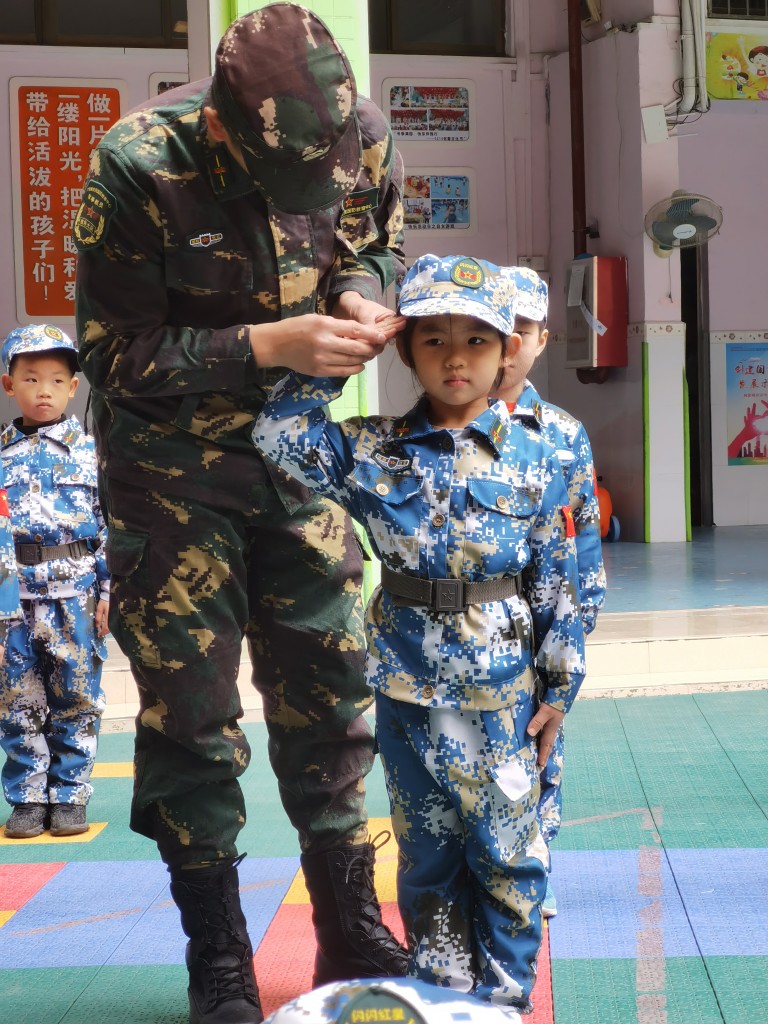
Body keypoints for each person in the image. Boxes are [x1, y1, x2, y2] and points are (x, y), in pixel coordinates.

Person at [73, 4, 407, 1022]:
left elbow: (374, 245)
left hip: (297, 457)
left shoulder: (362, 134)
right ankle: (217, 951)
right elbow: (111, 355)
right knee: (191, 712)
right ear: (220, 124)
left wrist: (358, 297)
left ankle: (348, 925)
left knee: (332, 684)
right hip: (170, 471)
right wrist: (266, 343)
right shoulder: (138, 164)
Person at [253, 253, 586, 1015]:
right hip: (404, 687)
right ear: (405, 350)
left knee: (507, 854)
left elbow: (557, 572)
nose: (456, 357)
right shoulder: (371, 447)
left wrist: (561, 685)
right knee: (425, 857)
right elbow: (278, 433)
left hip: (500, 691)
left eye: (477, 339)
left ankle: (503, 1002)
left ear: (507, 350)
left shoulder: (543, 450)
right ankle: (444, 999)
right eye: (433, 339)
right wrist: (352, 347)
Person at [491, 267, 606, 917]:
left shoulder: (562, 434)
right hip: (470, 620)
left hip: (542, 621)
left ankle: (534, 863)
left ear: (543, 340)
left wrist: (581, 615)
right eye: (493, 330)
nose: (507, 347)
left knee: (539, 741)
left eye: (522, 332)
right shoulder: (438, 425)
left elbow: (584, 528)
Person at [0, 324, 109, 840]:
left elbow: (110, 528)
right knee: (14, 698)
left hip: (75, 594)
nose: (43, 390)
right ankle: (27, 797)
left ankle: (68, 795)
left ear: (73, 387)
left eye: (56, 380)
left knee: (77, 696)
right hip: (11, 599)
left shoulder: (92, 454)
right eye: (30, 378)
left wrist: (109, 591)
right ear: (9, 385)